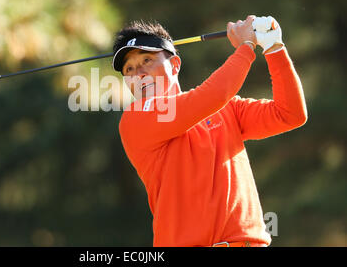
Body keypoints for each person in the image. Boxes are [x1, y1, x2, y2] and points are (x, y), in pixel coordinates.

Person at [112, 15, 307, 247]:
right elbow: (212, 95)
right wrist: (246, 46)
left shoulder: (226, 108)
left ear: (175, 65)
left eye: (147, 60)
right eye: (129, 69)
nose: (139, 73)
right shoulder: (135, 119)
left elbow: (290, 114)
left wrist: (274, 47)